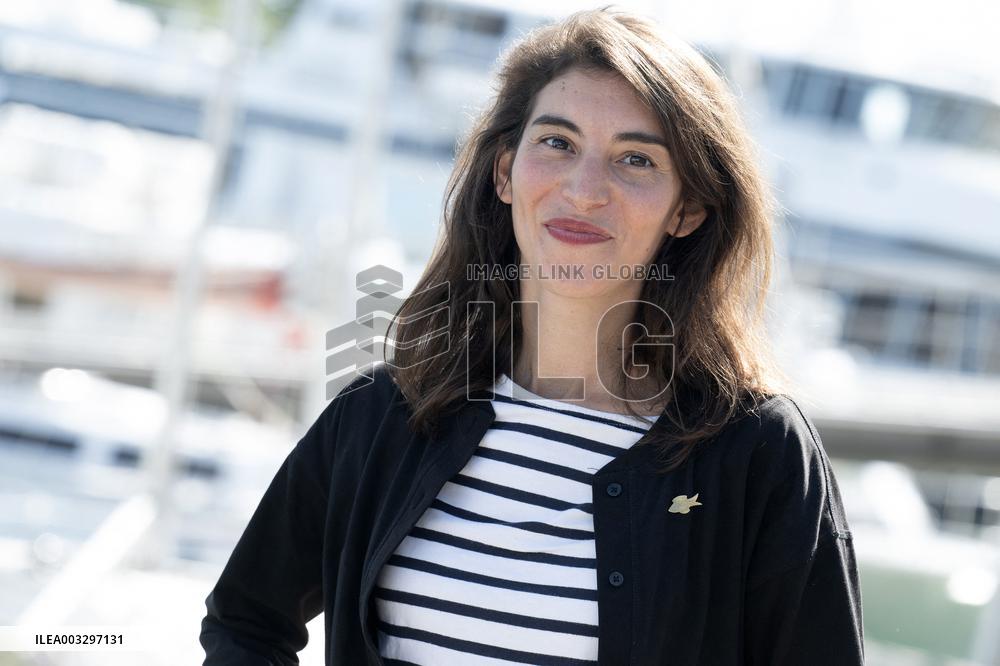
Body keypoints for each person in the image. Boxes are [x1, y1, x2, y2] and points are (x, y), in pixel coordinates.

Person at [201, 7, 865, 665]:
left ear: (687, 208)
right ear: (504, 172)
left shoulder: (758, 454)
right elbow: (245, 621)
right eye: (558, 143)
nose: (584, 189)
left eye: (635, 159)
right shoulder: (386, 415)